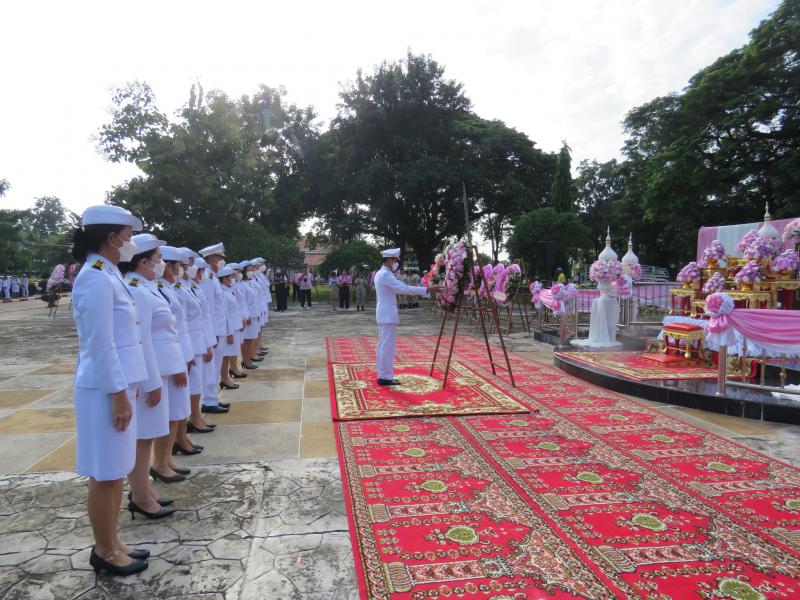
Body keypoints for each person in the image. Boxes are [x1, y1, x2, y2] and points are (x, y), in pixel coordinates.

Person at [71, 204, 150, 575]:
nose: (130, 243)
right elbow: (100, 343)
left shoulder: (109, 274)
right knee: (105, 473)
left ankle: (113, 540)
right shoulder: (94, 278)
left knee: (116, 469)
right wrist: (119, 394)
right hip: (104, 390)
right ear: (111, 238)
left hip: (119, 386)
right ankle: (104, 550)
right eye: (129, 237)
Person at [119, 233, 177, 520]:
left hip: (157, 370)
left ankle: (144, 490)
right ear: (143, 263)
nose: (161, 264)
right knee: (143, 437)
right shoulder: (138, 291)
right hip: (147, 374)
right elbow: (141, 339)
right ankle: (140, 495)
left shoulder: (147, 287)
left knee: (149, 434)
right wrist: (151, 381)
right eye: (157, 259)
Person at [151, 246, 194, 484]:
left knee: (176, 411)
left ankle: (165, 460)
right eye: (177, 265)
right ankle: (159, 462)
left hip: (176, 356)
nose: (180, 270)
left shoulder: (166, 289)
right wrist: (176, 363)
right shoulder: (154, 289)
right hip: (165, 362)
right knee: (167, 414)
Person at [374, 249, 441, 386]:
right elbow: (403, 288)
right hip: (387, 314)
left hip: (384, 312)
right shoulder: (385, 275)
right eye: (394, 260)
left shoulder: (381, 273)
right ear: (388, 260)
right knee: (387, 347)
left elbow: (400, 289)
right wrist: (427, 290)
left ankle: (383, 375)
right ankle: (385, 377)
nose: (396, 264)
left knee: (383, 346)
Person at [197, 243, 230, 415]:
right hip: (215, 331)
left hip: (219, 329)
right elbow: (207, 308)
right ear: (210, 259)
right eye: (219, 258)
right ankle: (208, 400)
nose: (222, 262)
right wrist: (213, 334)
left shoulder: (212, 276)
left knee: (214, 368)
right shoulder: (208, 278)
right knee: (211, 368)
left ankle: (212, 398)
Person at [187, 257, 219, 433]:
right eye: (198, 269)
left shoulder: (193, 288)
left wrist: (208, 343)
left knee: (197, 384)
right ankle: (193, 419)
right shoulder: (181, 289)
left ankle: (196, 417)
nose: (201, 273)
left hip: (200, 342)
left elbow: (205, 317)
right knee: (193, 385)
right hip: (191, 345)